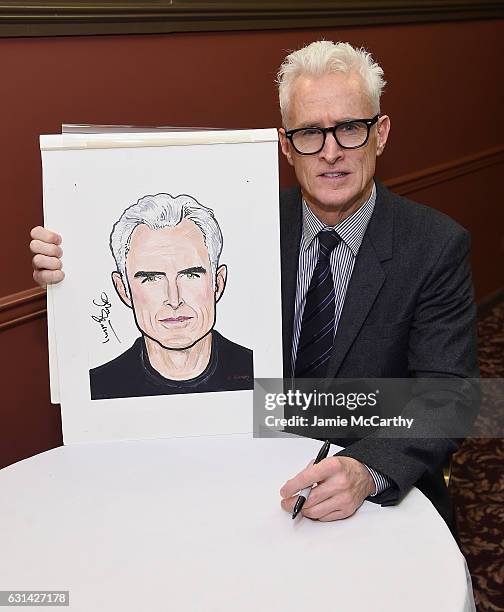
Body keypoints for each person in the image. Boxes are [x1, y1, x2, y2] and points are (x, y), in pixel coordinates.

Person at [31, 41, 478, 534]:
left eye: (350, 127)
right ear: (286, 146)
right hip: (240, 477)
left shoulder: (434, 246)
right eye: (310, 132)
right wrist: (68, 272)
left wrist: (367, 470)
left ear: (381, 133)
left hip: (370, 498)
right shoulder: (243, 228)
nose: (331, 152)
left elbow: (449, 395)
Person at [42, 192, 253, 400]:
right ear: (123, 289)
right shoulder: (97, 387)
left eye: (190, 275)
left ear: (218, 282)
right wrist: (58, 286)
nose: (174, 299)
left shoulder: (263, 370)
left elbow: (276, 429)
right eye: (151, 279)